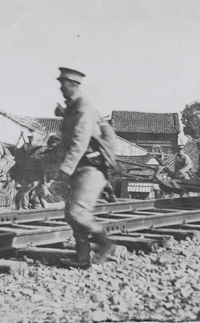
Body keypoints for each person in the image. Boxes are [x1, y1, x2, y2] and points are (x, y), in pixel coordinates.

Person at [56, 67, 114, 269]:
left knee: (77, 214)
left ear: (73, 84)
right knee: (72, 216)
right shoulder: (73, 107)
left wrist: (65, 168)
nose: (60, 87)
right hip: (81, 168)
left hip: (91, 168)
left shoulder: (83, 107)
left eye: (62, 83)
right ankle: (83, 258)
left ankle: (105, 243)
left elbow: (80, 141)